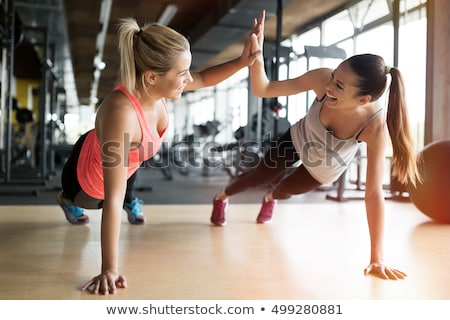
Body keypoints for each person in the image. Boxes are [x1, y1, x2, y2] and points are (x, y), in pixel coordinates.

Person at [56, 11, 265, 294]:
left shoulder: (156, 85)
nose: (188, 79)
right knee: (98, 201)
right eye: (182, 74)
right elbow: (113, 199)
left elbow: (203, 78)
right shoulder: (122, 114)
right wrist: (109, 267)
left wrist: (244, 61)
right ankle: (66, 199)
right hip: (85, 180)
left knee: (126, 177)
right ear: (152, 77)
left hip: (121, 157)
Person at [210, 18, 421, 281]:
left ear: (363, 100)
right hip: (297, 139)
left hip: (324, 168)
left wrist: (377, 258)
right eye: (334, 77)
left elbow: (374, 194)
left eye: (339, 87)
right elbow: (262, 88)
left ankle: (270, 198)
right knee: (259, 176)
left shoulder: (374, 128)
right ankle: (221, 196)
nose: (329, 87)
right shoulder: (322, 79)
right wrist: (257, 57)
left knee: (283, 190)